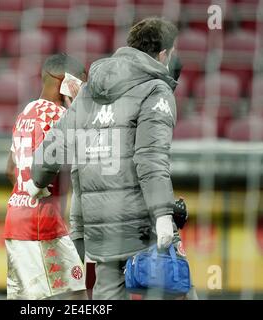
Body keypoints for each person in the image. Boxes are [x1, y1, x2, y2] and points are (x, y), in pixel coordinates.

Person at [28, 17, 192, 299]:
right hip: (143, 222)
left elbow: (56, 141)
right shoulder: (156, 90)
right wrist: (163, 214)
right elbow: (151, 157)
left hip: (100, 225)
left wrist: (37, 180)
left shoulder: (91, 89)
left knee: (107, 293)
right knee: (177, 289)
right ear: (164, 54)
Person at [4, 53, 87, 300]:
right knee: (76, 293)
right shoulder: (59, 115)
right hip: (42, 222)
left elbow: (10, 169)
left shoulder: (26, 112)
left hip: (15, 219)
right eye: (80, 82)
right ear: (64, 80)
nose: (82, 89)